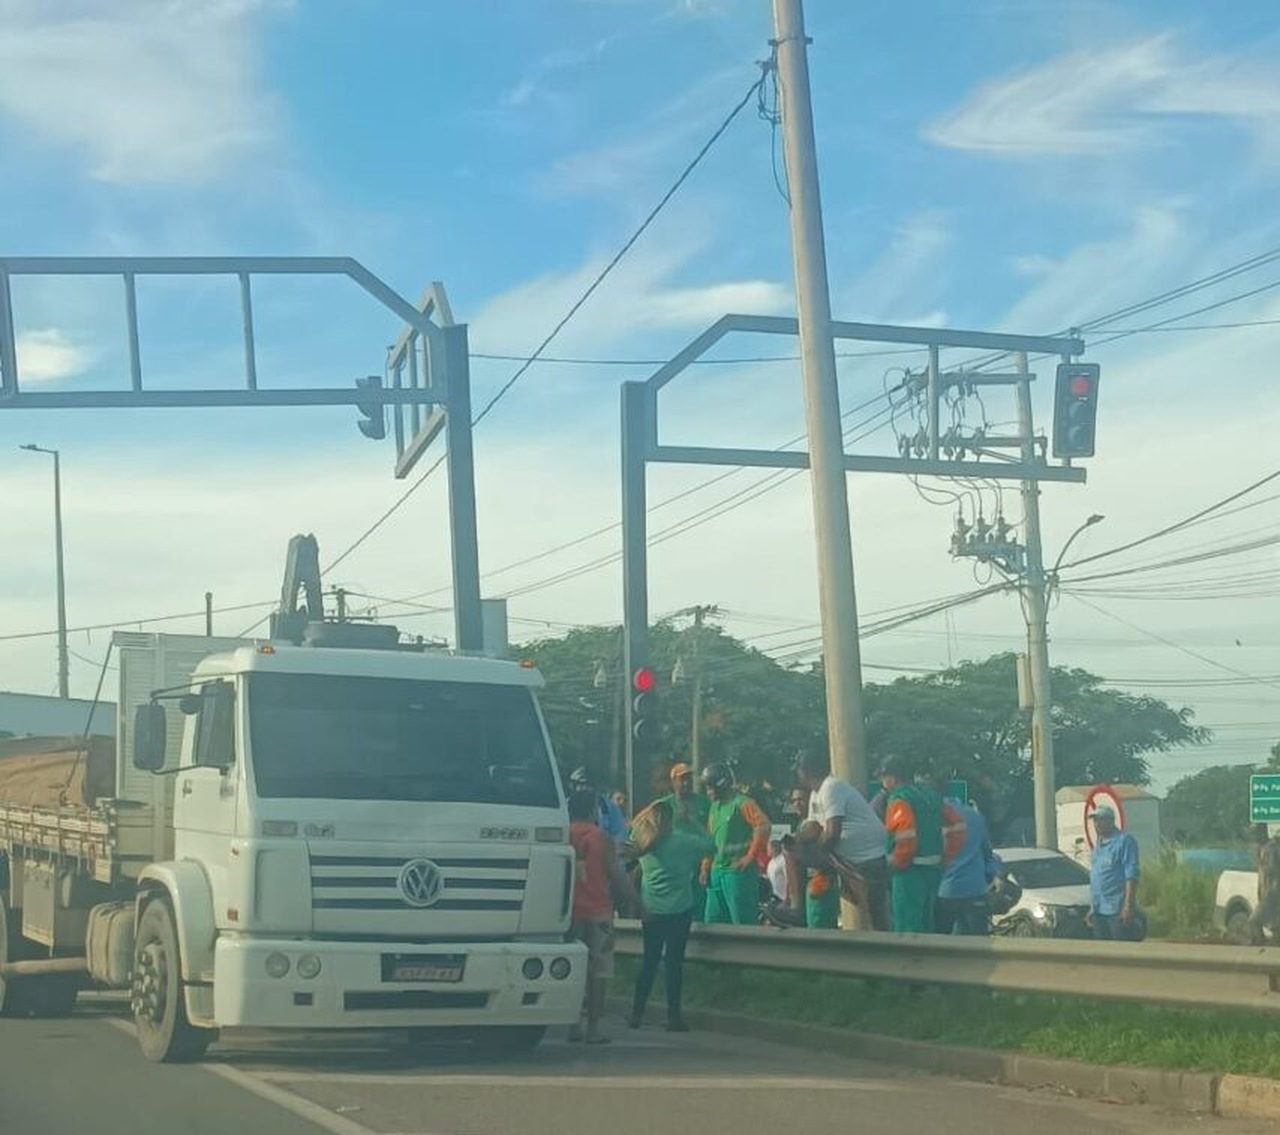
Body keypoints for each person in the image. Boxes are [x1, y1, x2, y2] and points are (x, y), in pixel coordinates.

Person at [629, 798, 715, 1031]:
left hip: (652, 910)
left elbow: (633, 829)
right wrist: (693, 821)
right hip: (679, 910)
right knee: (674, 964)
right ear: (670, 821)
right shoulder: (681, 842)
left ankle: (636, 1013)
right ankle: (673, 1017)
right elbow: (711, 845)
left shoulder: (643, 843)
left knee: (649, 961)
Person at [568, 789, 641, 1043]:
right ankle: (593, 1029)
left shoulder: (561, 835)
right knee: (598, 973)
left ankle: (572, 1024)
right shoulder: (601, 838)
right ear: (592, 811)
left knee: (571, 972)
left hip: (568, 915)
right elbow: (617, 875)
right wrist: (637, 902)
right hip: (599, 912)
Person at [795, 748, 889, 930]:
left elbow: (832, 833)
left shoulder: (831, 787)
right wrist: (800, 841)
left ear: (806, 771)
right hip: (848, 856)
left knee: (876, 915)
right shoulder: (817, 792)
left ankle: (886, 952)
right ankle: (797, 906)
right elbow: (811, 828)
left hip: (867, 856)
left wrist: (817, 855)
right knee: (791, 848)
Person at [876, 756, 949, 933]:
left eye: (883, 776)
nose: (882, 781)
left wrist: (895, 862)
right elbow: (954, 827)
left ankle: (908, 961)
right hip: (932, 870)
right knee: (926, 924)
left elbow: (906, 837)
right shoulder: (930, 796)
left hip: (909, 872)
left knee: (907, 928)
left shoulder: (899, 799)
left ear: (892, 777)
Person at [700, 762, 770, 924]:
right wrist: (705, 866)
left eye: (710, 787)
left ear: (722, 785)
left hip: (737, 873)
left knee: (742, 922)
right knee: (712, 922)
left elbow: (763, 826)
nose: (708, 792)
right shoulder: (714, 807)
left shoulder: (742, 803)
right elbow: (711, 839)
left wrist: (750, 857)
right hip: (716, 872)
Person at [936, 799, 1001, 935]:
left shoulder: (933, 815)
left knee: (941, 943)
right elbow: (987, 854)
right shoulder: (976, 816)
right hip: (975, 890)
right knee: (978, 944)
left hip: (944, 890)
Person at [1087, 805, 1142, 941]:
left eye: (1101, 820)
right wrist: (1092, 908)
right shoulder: (1098, 844)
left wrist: (1128, 906)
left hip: (1116, 909)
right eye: (1095, 820)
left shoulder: (1124, 841)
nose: (1097, 824)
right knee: (1102, 952)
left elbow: (1131, 875)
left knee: (1121, 949)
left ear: (1111, 821)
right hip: (1099, 909)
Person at [569, 767, 627, 841]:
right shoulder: (565, 807)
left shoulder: (610, 808)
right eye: (580, 785)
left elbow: (620, 833)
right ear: (573, 787)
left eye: (588, 785)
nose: (584, 788)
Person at [1251, 824, 1280, 944]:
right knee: (1274, 923)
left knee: (1254, 921)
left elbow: (1271, 870)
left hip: (1272, 891)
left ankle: (1260, 943)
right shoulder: (1265, 848)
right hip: (1269, 890)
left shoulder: (1271, 849)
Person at [766, 838, 789, 903]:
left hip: (784, 898)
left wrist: (787, 898)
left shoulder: (783, 860)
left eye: (768, 848)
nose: (767, 850)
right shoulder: (770, 863)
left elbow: (789, 879)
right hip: (774, 897)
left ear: (774, 848)